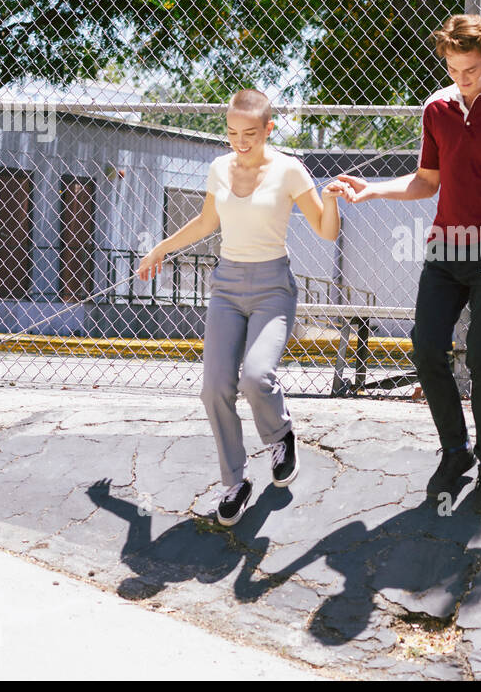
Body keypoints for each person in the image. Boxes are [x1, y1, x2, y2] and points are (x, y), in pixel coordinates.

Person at [339, 14, 481, 514]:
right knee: (426, 348)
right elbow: (425, 182)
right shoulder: (436, 107)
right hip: (446, 247)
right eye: (455, 69)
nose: (463, 79)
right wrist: (373, 189)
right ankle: (456, 452)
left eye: (473, 70)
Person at [138, 89, 351, 526]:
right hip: (227, 286)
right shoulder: (219, 168)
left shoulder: (290, 170)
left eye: (250, 133)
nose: (240, 141)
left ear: (269, 129)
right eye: (233, 132)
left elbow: (327, 232)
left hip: (274, 287)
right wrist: (161, 248)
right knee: (214, 386)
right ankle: (235, 482)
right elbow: (205, 222)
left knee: (256, 377)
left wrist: (330, 200)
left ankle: (280, 436)